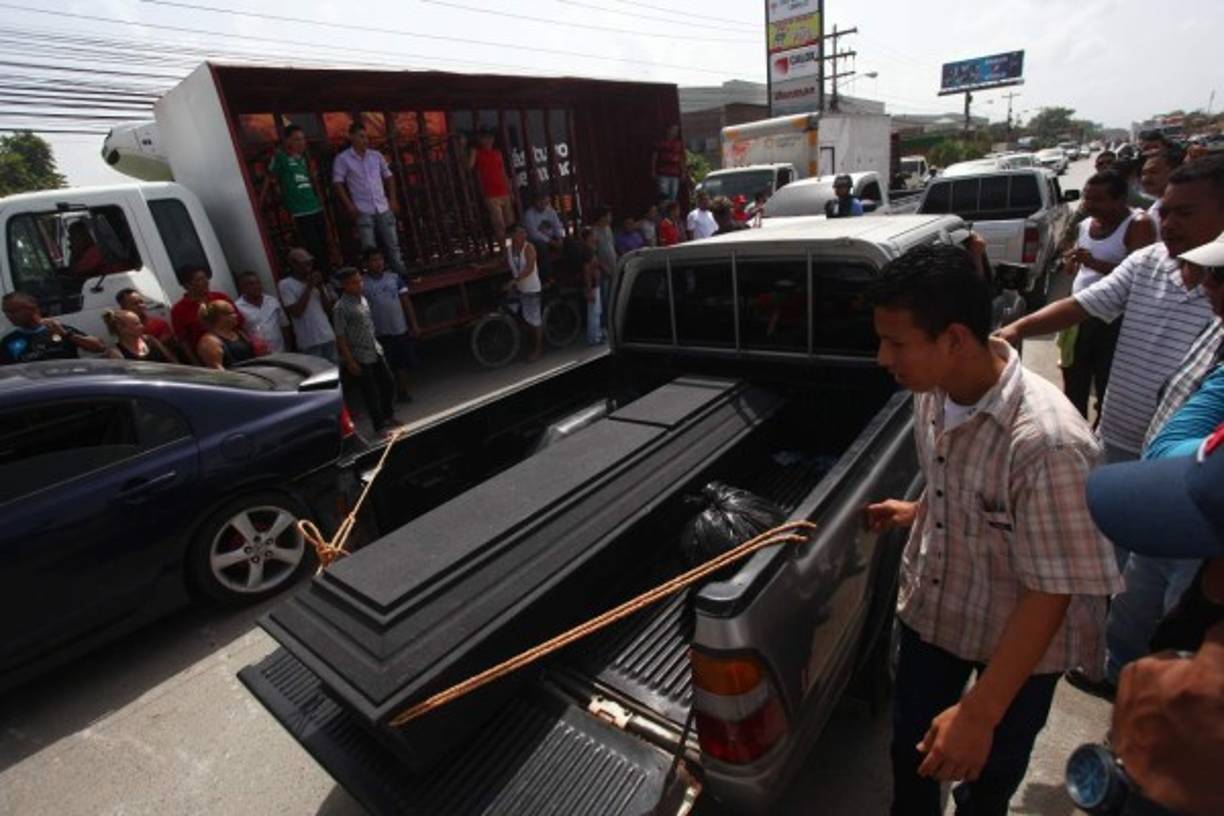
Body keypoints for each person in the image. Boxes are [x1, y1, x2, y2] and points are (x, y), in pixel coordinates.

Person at [865, 243, 1121, 816]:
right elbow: (956, 484)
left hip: (1020, 647)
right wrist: (920, 513)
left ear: (953, 339)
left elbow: (1052, 589)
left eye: (896, 342)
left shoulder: (1049, 442)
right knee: (912, 757)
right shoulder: (933, 394)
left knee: (987, 773)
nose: (884, 357)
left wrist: (980, 711)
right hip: (937, 614)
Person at [996, 156, 1224, 466]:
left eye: (1184, 213)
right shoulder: (1147, 261)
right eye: (1166, 213)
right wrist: (1015, 330)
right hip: (1116, 440)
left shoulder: (1217, 300)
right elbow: (1082, 304)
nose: (1168, 225)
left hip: (1183, 464)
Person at [1056, 171, 1157, 419]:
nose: (1089, 206)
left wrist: (1094, 262)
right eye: (1087, 199)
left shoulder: (1138, 224)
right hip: (1080, 314)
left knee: (1107, 381)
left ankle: (1104, 431)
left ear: (1120, 199)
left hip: (1115, 319)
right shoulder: (1084, 225)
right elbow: (1075, 269)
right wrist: (1071, 262)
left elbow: (1139, 275)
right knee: (1074, 379)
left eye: (1098, 200)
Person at [332, 120, 407, 277]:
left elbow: (389, 177)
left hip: (382, 205)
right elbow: (338, 183)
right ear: (351, 137)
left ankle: (401, 277)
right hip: (362, 208)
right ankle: (374, 279)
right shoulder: (343, 159)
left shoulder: (376, 156)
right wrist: (350, 206)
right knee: (368, 247)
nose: (365, 140)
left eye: (366, 137)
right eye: (361, 137)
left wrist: (392, 200)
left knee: (393, 244)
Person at [333, 267, 401, 433]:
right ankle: (379, 426)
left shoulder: (362, 299)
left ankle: (388, 415)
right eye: (355, 282)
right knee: (370, 393)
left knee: (388, 382)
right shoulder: (340, 308)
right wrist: (350, 361)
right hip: (359, 355)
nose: (360, 285)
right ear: (345, 285)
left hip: (374, 349)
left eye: (360, 281)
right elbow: (340, 337)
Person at [261, 124, 330, 273]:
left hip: (315, 207)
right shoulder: (280, 157)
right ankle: (319, 278)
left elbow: (312, 182)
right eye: (297, 139)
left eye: (303, 139)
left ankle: (329, 275)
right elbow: (269, 178)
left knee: (325, 245)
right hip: (300, 211)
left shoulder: (304, 159)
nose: (301, 143)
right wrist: (259, 204)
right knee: (312, 248)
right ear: (287, 141)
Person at [361, 247, 413, 403]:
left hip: (399, 328)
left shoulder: (394, 278)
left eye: (380, 259)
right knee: (385, 368)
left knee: (401, 364)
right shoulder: (362, 283)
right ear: (366, 263)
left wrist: (413, 324)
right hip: (379, 333)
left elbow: (406, 301)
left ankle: (403, 392)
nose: (378, 263)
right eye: (374, 260)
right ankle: (388, 396)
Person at [0, 292, 105, 364]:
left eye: (13, 311)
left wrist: (66, 334)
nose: (9, 316)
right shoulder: (9, 341)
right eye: (6, 312)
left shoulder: (59, 329)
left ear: (32, 309)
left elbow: (99, 347)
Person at [169, 267, 239, 364]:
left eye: (205, 278)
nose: (206, 282)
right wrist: (196, 363)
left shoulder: (221, 297)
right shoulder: (178, 310)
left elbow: (240, 324)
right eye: (199, 280)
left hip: (235, 348)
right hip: (208, 356)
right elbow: (183, 342)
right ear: (186, 285)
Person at [277, 247, 336, 363]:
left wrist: (320, 288)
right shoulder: (285, 284)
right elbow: (296, 312)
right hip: (309, 342)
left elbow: (329, 310)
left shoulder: (315, 281)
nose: (309, 266)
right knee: (319, 378)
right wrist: (309, 286)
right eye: (305, 263)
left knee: (336, 374)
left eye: (310, 262)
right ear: (294, 265)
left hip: (328, 336)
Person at [469, 129, 515, 246]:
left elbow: (503, 172)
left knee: (510, 223)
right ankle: (504, 251)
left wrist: (510, 190)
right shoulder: (477, 153)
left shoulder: (497, 153)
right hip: (491, 194)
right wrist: (471, 151)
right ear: (480, 140)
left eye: (491, 138)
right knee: (499, 224)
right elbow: (468, 166)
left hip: (504, 192)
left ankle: (514, 249)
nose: (489, 140)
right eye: (485, 138)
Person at [505, 223, 543, 362]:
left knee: (534, 320)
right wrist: (483, 267)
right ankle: (529, 342)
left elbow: (529, 268)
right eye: (520, 232)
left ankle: (538, 349)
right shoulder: (509, 249)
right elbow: (500, 262)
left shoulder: (529, 248)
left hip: (531, 288)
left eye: (524, 232)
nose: (524, 235)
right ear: (513, 235)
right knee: (517, 313)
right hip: (520, 289)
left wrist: (515, 280)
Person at [234, 271, 292, 355]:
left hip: (281, 352)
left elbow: (285, 325)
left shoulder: (272, 301)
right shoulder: (238, 307)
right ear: (242, 288)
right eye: (251, 284)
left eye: (258, 283)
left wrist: (289, 349)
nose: (256, 286)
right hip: (260, 356)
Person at [1140, 143, 1186, 239]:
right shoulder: (1153, 211)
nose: (1146, 178)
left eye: (1153, 172)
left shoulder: (1186, 206)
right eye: (1143, 173)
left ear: (1174, 171)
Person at [196, 299, 257, 370]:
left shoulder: (239, 333)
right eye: (232, 313)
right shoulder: (210, 342)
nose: (236, 315)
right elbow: (218, 370)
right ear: (221, 317)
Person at [102, 308, 176, 363]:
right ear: (121, 328)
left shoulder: (150, 340)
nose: (142, 326)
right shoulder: (117, 353)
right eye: (137, 324)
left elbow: (172, 361)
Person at [523, 192, 565, 282]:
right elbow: (534, 234)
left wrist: (560, 238)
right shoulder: (529, 214)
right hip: (537, 241)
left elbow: (557, 225)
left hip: (552, 238)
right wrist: (552, 242)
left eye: (546, 203)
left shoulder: (550, 211)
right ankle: (547, 278)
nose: (543, 206)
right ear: (535, 202)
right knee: (542, 248)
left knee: (570, 243)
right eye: (541, 203)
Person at [576, 227, 603, 345]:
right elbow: (586, 270)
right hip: (591, 285)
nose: (595, 237)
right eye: (593, 235)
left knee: (595, 311)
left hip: (594, 283)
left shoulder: (589, 249)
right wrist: (589, 288)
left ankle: (596, 335)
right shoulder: (587, 251)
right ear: (588, 237)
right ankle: (594, 338)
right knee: (594, 312)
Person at [592, 206, 617, 329]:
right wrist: (603, 267)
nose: (610, 218)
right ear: (602, 217)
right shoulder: (594, 232)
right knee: (604, 297)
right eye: (609, 215)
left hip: (613, 266)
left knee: (613, 295)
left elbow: (611, 247)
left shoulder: (608, 229)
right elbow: (594, 254)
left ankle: (612, 319)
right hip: (602, 270)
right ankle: (604, 323)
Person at [651, 124, 685, 201]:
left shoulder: (679, 143)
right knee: (663, 196)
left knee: (673, 197)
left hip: (675, 174)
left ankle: (671, 212)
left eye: (676, 131)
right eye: (673, 130)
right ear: (668, 130)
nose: (675, 132)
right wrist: (653, 170)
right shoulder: (661, 142)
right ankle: (663, 212)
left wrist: (683, 172)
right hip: (663, 173)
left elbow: (681, 158)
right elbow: (655, 156)